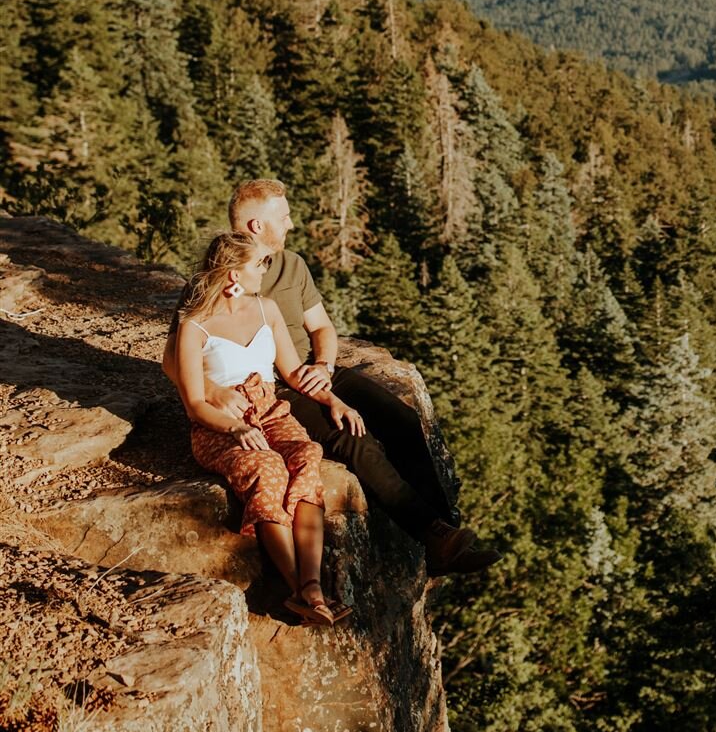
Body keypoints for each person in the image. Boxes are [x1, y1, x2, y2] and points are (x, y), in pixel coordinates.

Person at [163, 177, 494, 578]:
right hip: (277, 384)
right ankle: (433, 534)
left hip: (313, 370)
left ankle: (446, 533)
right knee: (352, 438)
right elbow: (172, 359)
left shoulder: (293, 265)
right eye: (283, 218)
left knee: (403, 420)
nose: (291, 225)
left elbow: (322, 328)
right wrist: (212, 389)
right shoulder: (215, 276)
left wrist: (325, 367)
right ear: (256, 226)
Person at [175, 231, 342, 626]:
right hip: (219, 425)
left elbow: (292, 371)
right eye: (258, 264)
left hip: (271, 410)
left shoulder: (266, 308)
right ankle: (297, 590)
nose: (265, 270)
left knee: (306, 456)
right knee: (268, 469)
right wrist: (233, 428)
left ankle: (313, 585)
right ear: (233, 274)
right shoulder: (194, 324)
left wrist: (332, 397)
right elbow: (195, 403)